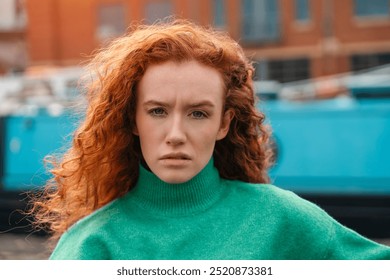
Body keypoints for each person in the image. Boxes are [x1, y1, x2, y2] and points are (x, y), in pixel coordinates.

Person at [30, 19, 390, 260]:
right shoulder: (92, 245)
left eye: (198, 113)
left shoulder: (282, 219)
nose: (175, 135)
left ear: (223, 123)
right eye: (157, 111)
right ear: (132, 120)